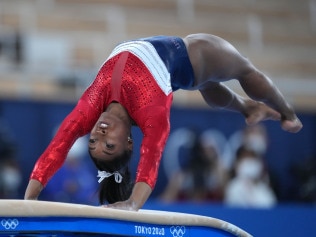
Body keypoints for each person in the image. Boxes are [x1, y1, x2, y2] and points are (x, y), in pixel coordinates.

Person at [24, 33, 302, 211]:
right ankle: (283, 113)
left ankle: (260, 109)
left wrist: (28, 202)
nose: (99, 132)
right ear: (129, 142)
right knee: (241, 70)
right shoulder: (151, 113)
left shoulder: (87, 111)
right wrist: (133, 204)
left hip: (174, 64)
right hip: (191, 55)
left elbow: (55, 150)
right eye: (108, 144)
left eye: (93, 141)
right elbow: (150, 163)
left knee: (210, 83)